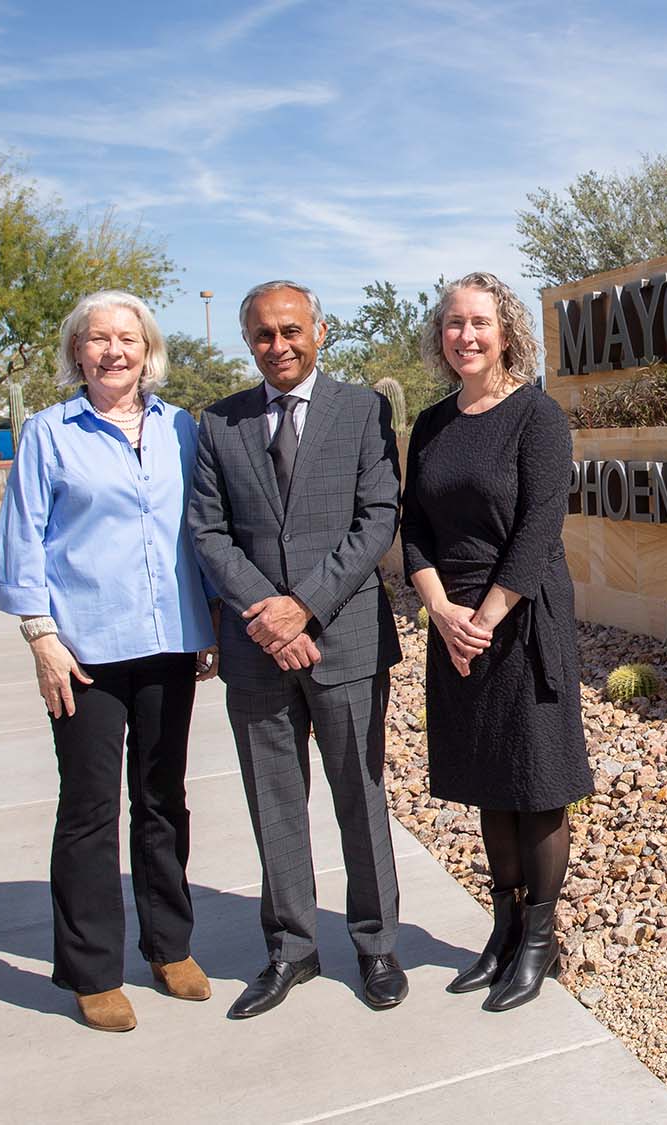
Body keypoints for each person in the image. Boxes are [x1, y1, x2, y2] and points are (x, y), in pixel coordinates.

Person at [0, 290, 218, 1033]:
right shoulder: (49, 434)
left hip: (170, 642)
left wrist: (209, 616)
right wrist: (40, 636)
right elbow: (21, 539)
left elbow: (201, 529)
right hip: (82, 650)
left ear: (147, 347)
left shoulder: (182, 428)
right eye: (97, 339)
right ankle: (91, 969)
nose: (113, 350)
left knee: (161, 798)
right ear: (77, 351)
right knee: (88, 810)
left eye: (127, 337)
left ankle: (169, 945)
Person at [186, 279, 408, 1018]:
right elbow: (208, 532)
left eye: (290, 330)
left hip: (343, 638)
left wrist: (304, 607)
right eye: (261, 335)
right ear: (247, 341)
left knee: (360, 797)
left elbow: (378, 516)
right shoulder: (219, 425)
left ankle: (375, 942)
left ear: (318, 330)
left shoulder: (362, 410)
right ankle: (292, 948)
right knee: (274, 802)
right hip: (256, 648)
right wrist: (267, 614)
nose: (277, 346)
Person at [403, 271, 593, 1012]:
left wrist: (484, 614)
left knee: (535, 780)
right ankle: (504, 927)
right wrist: (441, 609)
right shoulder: (431, 424)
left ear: (505, 330)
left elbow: (541, 525)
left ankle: (541, 941)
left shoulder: (537, 416)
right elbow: (413, 526)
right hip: (455, 617)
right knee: (488, 777)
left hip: (522, 615)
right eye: (453, 323)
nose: (466, 336)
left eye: (479, 322)